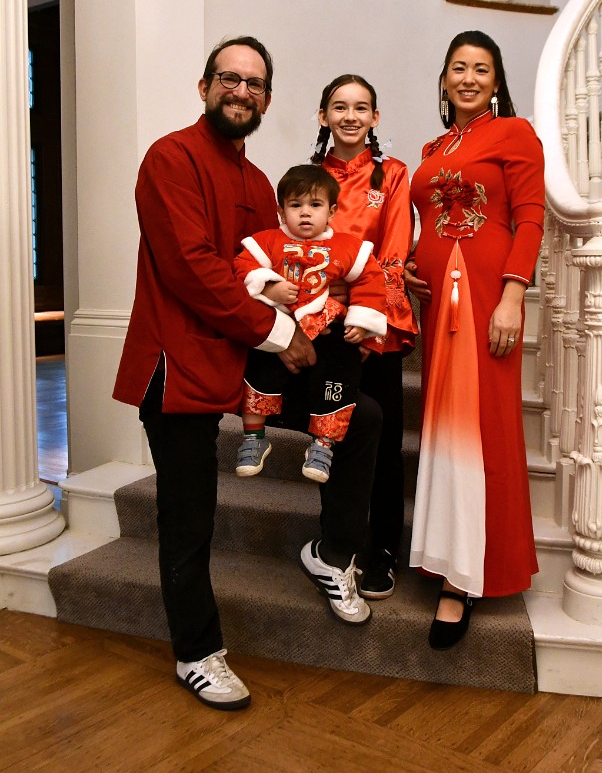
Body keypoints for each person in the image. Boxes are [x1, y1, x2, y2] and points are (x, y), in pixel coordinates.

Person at [113, 36, 382, 712]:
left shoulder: (261, 183)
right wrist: (280, 331)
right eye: (229, 79)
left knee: (362, 417)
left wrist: (351, 292)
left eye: (255, 84)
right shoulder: (168, 159)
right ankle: (197, 653)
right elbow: (193, 269)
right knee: (189, 517)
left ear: (266, 100)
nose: (241, 91)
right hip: (177, 365)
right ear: (204, 87)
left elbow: (282, 268)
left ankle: (330, 551)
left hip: (243, 361)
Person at [404, 30, 545, 650]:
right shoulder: (436, 146)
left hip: (487, 294)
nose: (468, 78)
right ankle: (447, 554)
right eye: (458, 68)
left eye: (480, 69)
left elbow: (531, 215)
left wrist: (514, 294)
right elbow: (429, 220)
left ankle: (465, 580)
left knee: (479, 423)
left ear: (496, 80)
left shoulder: (514, 133)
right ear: (443, 80)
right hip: (439, 304)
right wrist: (411, 261)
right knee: (445, 425)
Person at [311, 75, 417, 598]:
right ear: (323, 117)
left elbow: (393, 251)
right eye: (339, 107)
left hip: (377, 329)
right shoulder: (308, 178)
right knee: (333, 433)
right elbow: (298, 249)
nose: (350, 116)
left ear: (375, 118)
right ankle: (338, 542)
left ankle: (382, 551)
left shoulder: (392, 175)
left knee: (385, 444)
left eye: (361, 108)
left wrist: (367, 314)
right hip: (325, 328)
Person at [233, 163, 387, 483]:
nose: (305, 213)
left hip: (326, 324)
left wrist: (362, 320)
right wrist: (268, 285)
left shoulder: (349, 247)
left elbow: (371, 281)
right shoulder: (267, 242)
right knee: (257, 363)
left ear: (331, 212)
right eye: (295, 205)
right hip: (281, 324)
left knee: (341, 369)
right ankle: (253, 436)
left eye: (315, 205)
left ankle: (323, 444)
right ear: (280, 211)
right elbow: (242, 268)